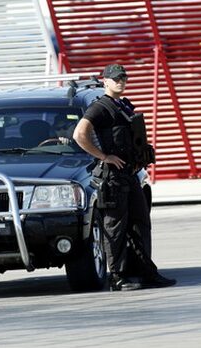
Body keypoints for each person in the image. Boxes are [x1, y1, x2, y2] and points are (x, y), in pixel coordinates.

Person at [73, 64, 176, 291]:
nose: (120, 81)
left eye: (123, 77)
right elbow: (79, 134)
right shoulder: (100, 107)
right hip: (114, 179)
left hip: (130, 175)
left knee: (140, 224)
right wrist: (104, 156)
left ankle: (145, 272)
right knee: (115, 229)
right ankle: (117, 277)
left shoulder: (124, 105)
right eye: (115, 78)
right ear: (105, 82)